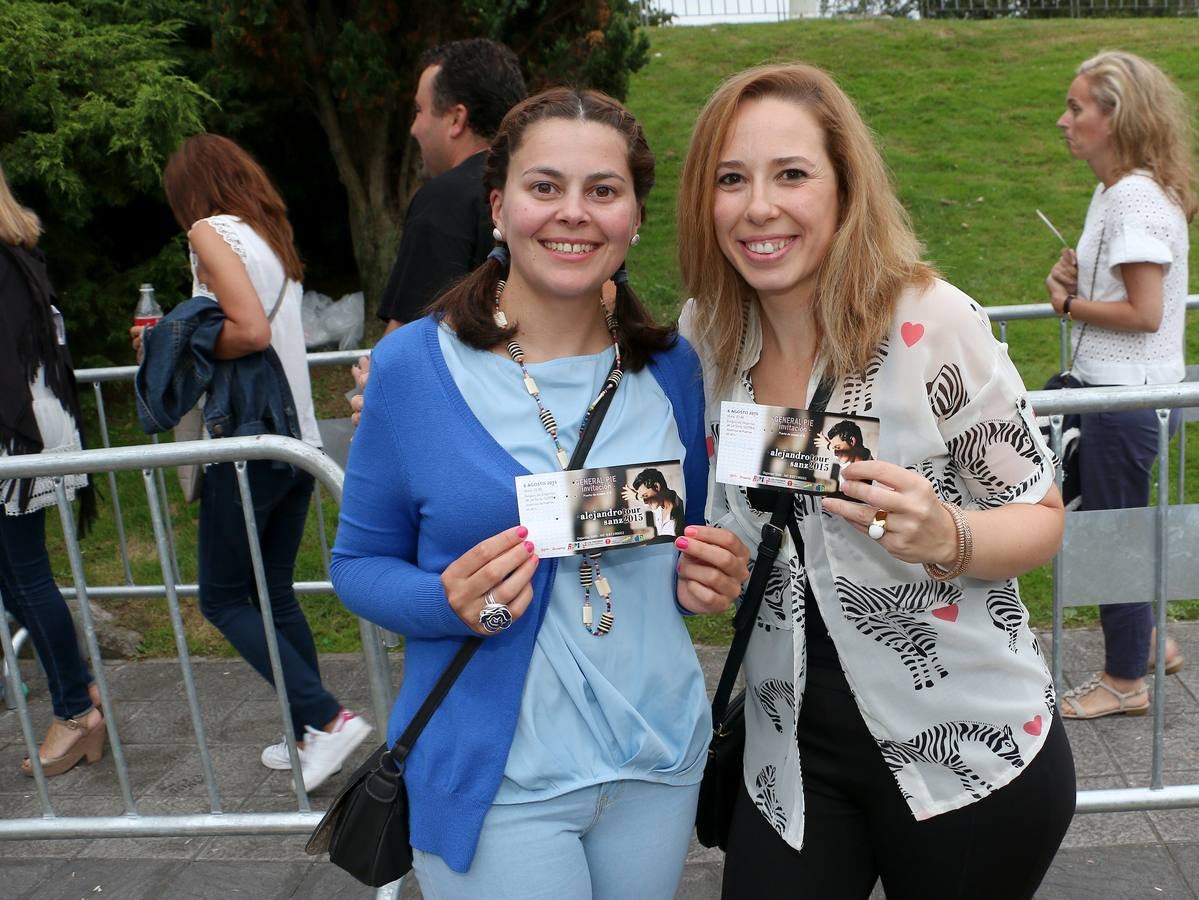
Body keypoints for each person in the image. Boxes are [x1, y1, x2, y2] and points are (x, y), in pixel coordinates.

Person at [331, 87, 749, 898]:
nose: (574, 214)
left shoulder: (672, 371)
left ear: (632, 217)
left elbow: (683, 545)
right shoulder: (414, 369)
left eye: (603, 190)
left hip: (656, 760)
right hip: (500, 783)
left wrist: (708, 582)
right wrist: (444, 601)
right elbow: (358, 564)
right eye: (545, 187)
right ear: (499, 205)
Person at [677, 63, 1075, 898]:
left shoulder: (933, 324)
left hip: (966, 749)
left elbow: (1041, 512)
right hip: (786, 754)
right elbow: (733, 527)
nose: (759, 207)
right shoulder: (707, 336)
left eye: (791, 174)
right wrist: (705, 572)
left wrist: (949, 535)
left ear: (844, 187)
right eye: (731, 179)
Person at [133, 134, 371, 790]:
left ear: (190, 191)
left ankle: (326, 718)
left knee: (221, 598)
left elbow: (249, 332)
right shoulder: (270, 241)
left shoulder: (209, 231)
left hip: (248, 442)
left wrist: (177, 340)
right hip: (293, 444)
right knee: (273, 593)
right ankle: (309, 731)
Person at [1045, 51, 1196, 720]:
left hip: (1124, 399)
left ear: (1116, 118)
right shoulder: (1120, 192)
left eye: (1077, 109)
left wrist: (1069, 307)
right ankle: (1148, 641)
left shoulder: (1132, 196)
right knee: (1111, 528)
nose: (1063, 121)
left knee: (1111, 537)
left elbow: (1144, 313)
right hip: (1121, 394)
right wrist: (1071, 283)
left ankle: (1123, 680)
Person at [349, 40, 528, 427]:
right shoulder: (548, 197)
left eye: (418, 110)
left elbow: (408, 337)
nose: (413, 128)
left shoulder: (445, 198)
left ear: (456, 119)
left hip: (459, 424)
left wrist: (374, 385)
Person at [0, 162, 103, 778]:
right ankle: (77, 696)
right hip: (35, 430)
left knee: (24, 576)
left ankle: (73, 710)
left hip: (17, 437)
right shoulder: (19, 258)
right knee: (18, 578)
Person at [629, 467, 684, 537]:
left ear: (656, 486)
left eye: (645, 496)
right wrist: (636, 496)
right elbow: (643, 498)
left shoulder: (680, 518)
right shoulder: (658, 503)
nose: (645, 502)